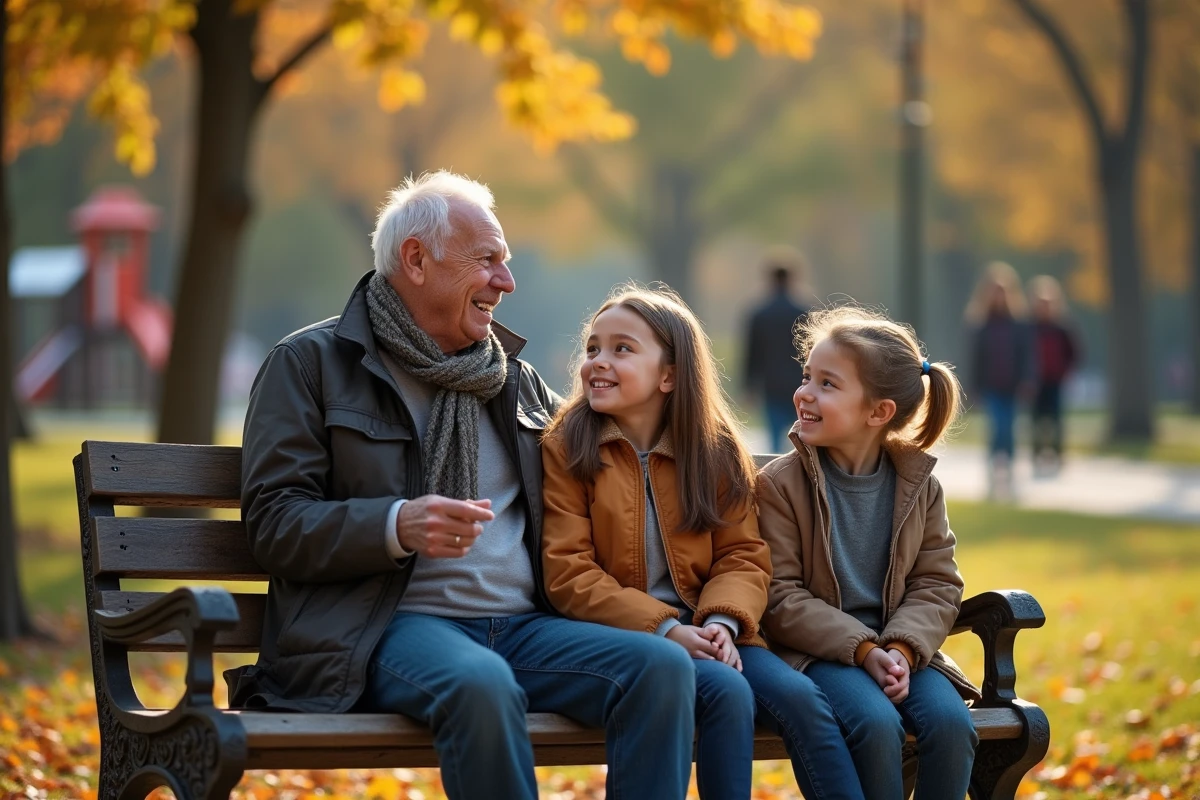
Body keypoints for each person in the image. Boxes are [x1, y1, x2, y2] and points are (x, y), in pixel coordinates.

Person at [225, 172, 699, 800]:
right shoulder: (310, 364)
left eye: (505, 261)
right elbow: (274, 524)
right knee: (481, 684)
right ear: (416, 260)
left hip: (525, 627)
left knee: (660, 667)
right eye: (487, 260)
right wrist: (395, 524)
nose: (506, 281)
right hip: (383, 629)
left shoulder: (513, 380)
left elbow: (612, 468)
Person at [541, 285, 865, 800]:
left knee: (802, 700)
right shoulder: (568, 447)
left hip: (714, 628)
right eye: (593, 348)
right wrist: (666, 628)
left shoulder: (714, 451)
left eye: (622, 349)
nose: (598, 361)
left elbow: (743, 554)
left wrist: (721, 621)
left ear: (669, 375)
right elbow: (569, 572)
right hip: (624, 637)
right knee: (727, 692)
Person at [756, 305, 982, 800]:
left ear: (878, 413)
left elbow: (937, 583)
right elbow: (778, 595)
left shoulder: (920, 487)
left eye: (827, 384)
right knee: (875, 725)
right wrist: (864, 650)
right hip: (819, 655)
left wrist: (900, 649)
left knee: (951, 725)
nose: (804, 392)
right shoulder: (780, 486)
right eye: (807, 376)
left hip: (902, 652)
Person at [965, 261, 1031, 500]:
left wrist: (1028, 380)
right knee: (997, 426)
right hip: (991, 385)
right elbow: (974, 358)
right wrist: (973, 386)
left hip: (1012, 385)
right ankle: (993, 466)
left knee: (1010, 427)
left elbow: (1027, 356)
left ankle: (1010, 467)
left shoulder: (1019, 324)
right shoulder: (980, 324)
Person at [744, 247, 811, 454]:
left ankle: (776, 470)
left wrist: (749, 385)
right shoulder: (803, 312)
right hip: (799, 382)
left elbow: (752, 352)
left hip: (771, 383)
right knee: (803, 433)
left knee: (774, 440)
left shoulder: (759, 314)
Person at [1028, 275, 1079, 477]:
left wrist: (1065, 372)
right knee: (1036, 420)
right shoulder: (1030, 328)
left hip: (1055, 381)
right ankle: (1037, 453)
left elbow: (1073, 354)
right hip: (1035, 382)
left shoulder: (1062, 328)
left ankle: (1058, 453)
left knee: (1056, 419)